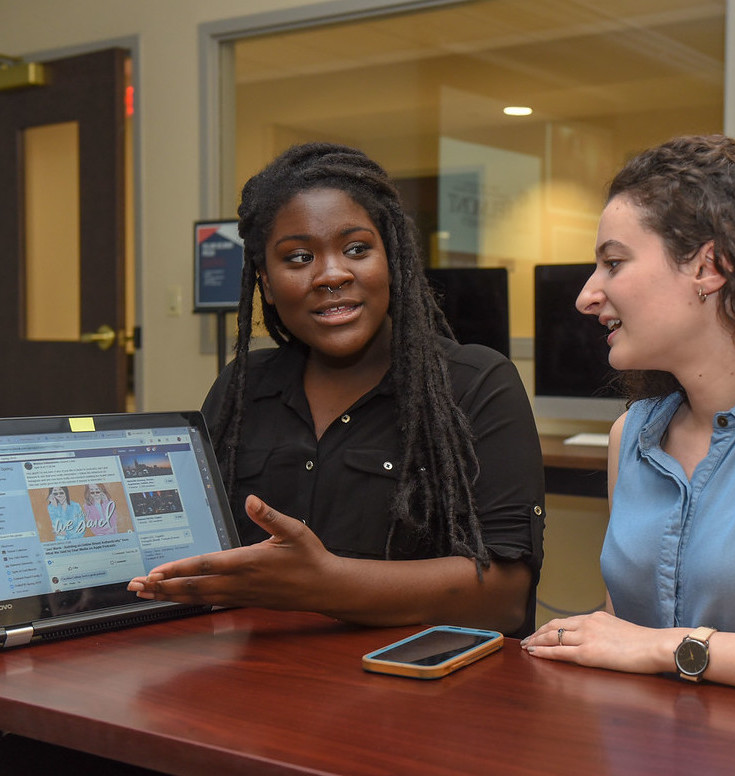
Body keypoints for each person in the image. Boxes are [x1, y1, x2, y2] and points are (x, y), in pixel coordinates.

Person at [129, 142, 545, 636]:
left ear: (390, 257)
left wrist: (325, 583)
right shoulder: (243, 386)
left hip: (413, 691)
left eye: (356, 249)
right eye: (299, 257)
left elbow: (505, 598)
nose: (332, 274)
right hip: (248, 679)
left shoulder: (474, 383)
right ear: (265, 279)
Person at [522, 134, 735, 696]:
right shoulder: (632, 436)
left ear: (709, 266)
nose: (586, 295)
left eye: (613, 263)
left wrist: (663, 647)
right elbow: (619, 630)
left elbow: (639, 644)